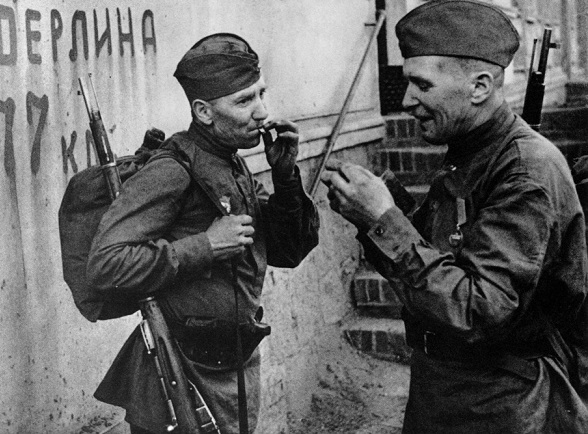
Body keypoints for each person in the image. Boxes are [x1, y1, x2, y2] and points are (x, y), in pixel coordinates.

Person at [321, 1, 588, 432]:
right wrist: (377, 213)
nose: (407, 100)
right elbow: (445, 262)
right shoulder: (472, 151)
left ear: (479, 87)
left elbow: (478, 310)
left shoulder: (524, 170)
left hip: (501, 403)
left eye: (421, 85)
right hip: (449, 389)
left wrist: (384, 219)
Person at [86, 33, 319, 434]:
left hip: (234, 368)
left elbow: (288, 252)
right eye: (244, 101)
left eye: (261, 94)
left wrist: (285, 179)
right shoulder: (172, 169)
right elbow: (105, 265)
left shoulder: (232, 164)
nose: (262, 112)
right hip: (180, 372)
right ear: (204, 112)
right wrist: (205, 246)